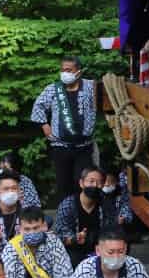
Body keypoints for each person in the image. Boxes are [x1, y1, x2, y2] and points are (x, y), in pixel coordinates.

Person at [31, 56, 99, 203]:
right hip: (61, 146)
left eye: (69, 70)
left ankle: (83, 214)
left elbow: (108, 98)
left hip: (84, 146)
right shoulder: (53, 89)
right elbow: (38, 106)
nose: (65, 73)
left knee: (83, 182)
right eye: (62, 70)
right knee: (63, 185)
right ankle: (66, 218)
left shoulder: (91, 87)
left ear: (78, 72)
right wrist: (44, 124)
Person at [53, 167, 116, 267]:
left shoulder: (106, 205)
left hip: (100, 248)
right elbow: (60, 234)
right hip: (74, 250)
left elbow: (112, 229)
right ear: (81, 183)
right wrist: (75, 238)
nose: (95, 185)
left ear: (103, 185)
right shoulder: (68, 204)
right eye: (91, 181)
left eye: (99, 182)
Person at [2, 207, 72, 278]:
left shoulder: (54, 242)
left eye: (35, 228)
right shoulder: (12, 247)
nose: (31, 232)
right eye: (27, 229)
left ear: (44, 226)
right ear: (20, 229)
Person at [67, 226, 149, 278]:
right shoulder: (85, 270)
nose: (116, 257)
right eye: (110, 252)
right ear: (98, 250)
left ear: (126, 249)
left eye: (121, 251)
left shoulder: (135, 267)